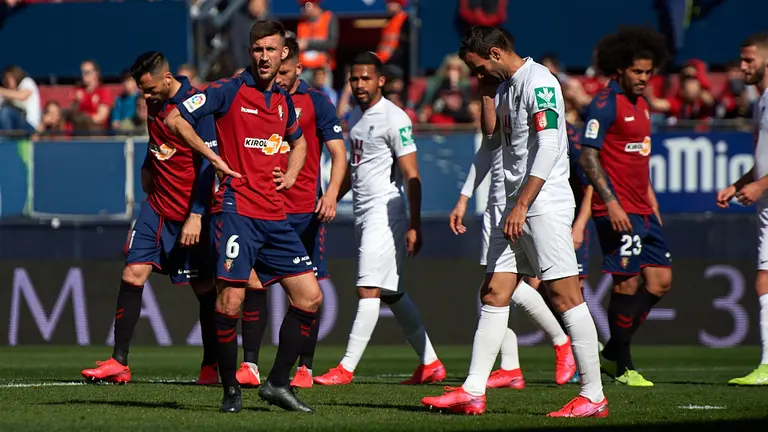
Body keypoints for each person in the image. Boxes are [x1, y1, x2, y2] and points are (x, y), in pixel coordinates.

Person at [422, 26, 606, 418]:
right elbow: (493, 142)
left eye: (478, 69)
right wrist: (469, 195)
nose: (477, 77)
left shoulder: (539, 81)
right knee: (494, 292)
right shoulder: (504, 88)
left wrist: (522, 203)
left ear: (494, 53)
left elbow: (550, 146)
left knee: (566, 296)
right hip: (514, 207)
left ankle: (593, 395)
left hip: (543, 205)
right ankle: (473, 391)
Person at [165, 20, 323, 413]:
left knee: (310, 297)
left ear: (284, 53)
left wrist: (291, 174)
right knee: (231, 301)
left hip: (275, 214)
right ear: (250, 52)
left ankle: (278, 384)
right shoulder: (229, 90)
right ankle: (231, 390)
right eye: (257, 49)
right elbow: (175, 119)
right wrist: (212, 156)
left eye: (271, 50)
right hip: (237, 211)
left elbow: (300, 142)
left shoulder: (283, 101)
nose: (264, 57)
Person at [80, 51, 219, 386]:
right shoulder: (154, 102)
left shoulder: (197, 105)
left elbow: (208, 162)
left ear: (167, 78)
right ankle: (119, 362)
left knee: (204, 288)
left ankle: (212, 364)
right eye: (142, 90)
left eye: (150, 88)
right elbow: (158, 142)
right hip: (157, 207)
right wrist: (147, 166)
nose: (146, 96)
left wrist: (197, 215)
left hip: (190, 213)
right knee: (132, 273)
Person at [313, 52, 447, 386]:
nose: (359, 84)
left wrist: (414, 224)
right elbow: (355, 169)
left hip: (385, 212)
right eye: (354, 79)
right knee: (391, 292)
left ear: (381, 81)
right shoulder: (355, 116)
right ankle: (431, 363)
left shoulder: (394, 118)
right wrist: (331, 198)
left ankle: (345, 368)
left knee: (368, 288)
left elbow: (412, 175)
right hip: (362, 211)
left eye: (366, 78)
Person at [235, 36, 347, 389]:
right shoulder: (258, 96)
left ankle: (305, 368)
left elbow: (339, 153)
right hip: (263, 209)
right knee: (253, 282)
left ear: (298, 68)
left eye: (284, 71)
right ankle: (250, 364)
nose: (277, 77)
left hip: (304, 213)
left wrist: (331, 194)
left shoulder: (317, 102)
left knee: (307, 292)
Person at [579, 27, 672, 388]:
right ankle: (623, 365)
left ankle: (612, 351)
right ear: (620, 69)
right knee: (627, 283)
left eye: (648, 72)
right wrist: (611, 204)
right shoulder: (604, 103)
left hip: (644, 209)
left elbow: (640, 165)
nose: (643, 78)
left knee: (661, 281)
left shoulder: (643, 106)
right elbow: (588, 157)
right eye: (637, 71)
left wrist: (654, 207)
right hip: (617, 211)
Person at [449, 131, 577, 389]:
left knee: (511, 287)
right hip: (496, 205)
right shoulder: (499, 109)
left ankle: (561, 341)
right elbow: (487, 148)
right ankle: (510, 367)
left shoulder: (525, 107)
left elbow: (548, 146)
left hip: (523, 204)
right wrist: (464, 197)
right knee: (496, 291)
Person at [718, 33, 768, 386]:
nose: (743, 66)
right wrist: (738, 185)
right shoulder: (760, 101)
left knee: (765, 279)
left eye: (749, 59)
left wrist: (760, 186)